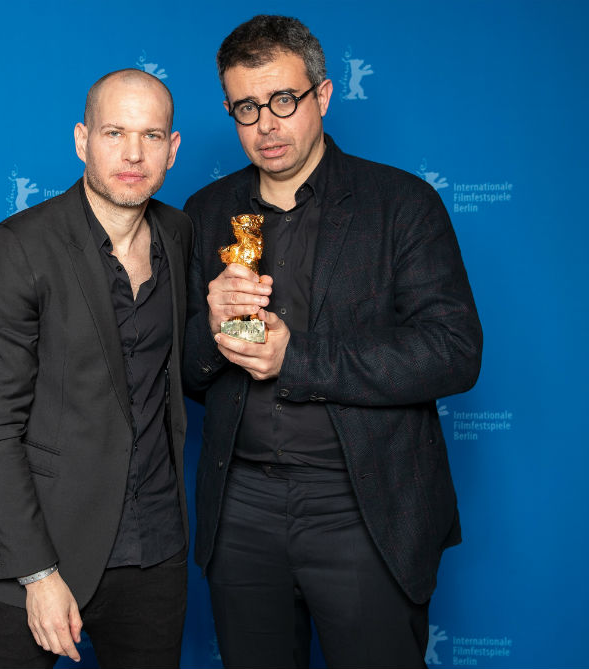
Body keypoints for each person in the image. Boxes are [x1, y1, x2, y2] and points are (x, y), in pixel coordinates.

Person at [183, 15, 482, 668]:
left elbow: (455, 350)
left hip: (363, 508)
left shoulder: (400, 203)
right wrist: (209, 328)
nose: (265, 124)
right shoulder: (206, 212)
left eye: (283, 101)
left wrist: (298, 358)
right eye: (246, 107)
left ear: (322, 95)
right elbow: (183, 372)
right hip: (242, 513)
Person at [0, 69, 192, 669]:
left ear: (172, 148)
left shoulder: (181, 234)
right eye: (115, 132)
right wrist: (37, 574)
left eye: (151, 135)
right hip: (43, 549)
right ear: (81, 139)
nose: (133, 154)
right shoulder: (17, 248)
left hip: (156, 548)